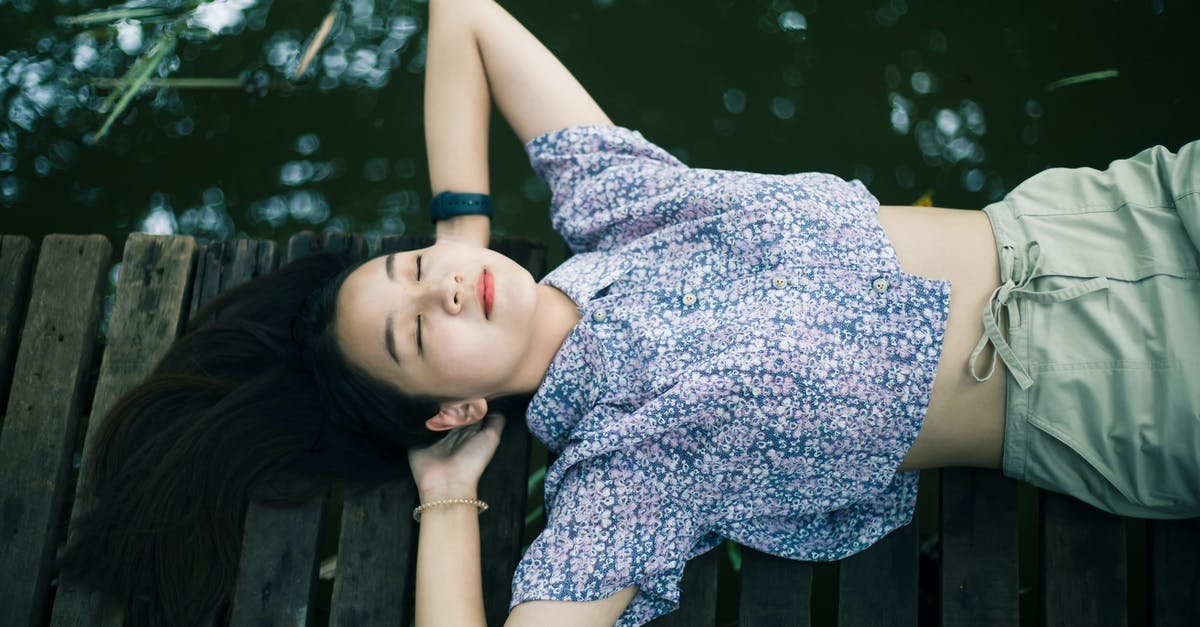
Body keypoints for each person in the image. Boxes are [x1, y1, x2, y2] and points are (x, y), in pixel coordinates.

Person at [58, 0, 1200, 625]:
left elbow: (463, 14)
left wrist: (459, 227)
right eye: (418, 332)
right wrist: (448, 505)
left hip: (1112, 215)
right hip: (1120, 391)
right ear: (452, 407)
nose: (442, 288)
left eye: (409, 270)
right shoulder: (624, 475)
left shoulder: (622, 208)